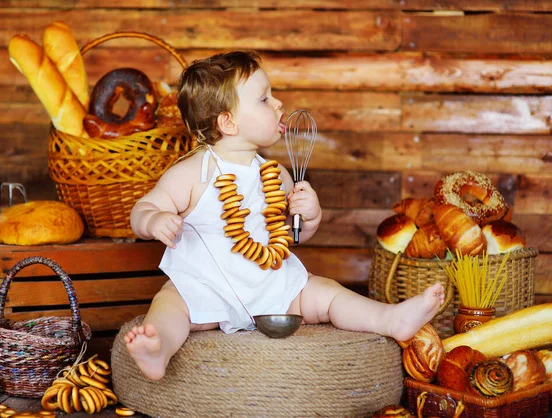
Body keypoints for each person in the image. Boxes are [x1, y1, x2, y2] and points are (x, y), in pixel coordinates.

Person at [126, 51, 445, 381]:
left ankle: (390, 319)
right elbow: (143, 208)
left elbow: (290, 237)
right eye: (264, 99)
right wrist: (154, 220)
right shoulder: (192, 173)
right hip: (208, 288)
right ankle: (158, 348)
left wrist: (310, 218)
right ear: (228, 122)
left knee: (325, 292)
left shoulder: (276, 175)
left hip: (270, 285)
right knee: (171, 302)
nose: (278, 104)